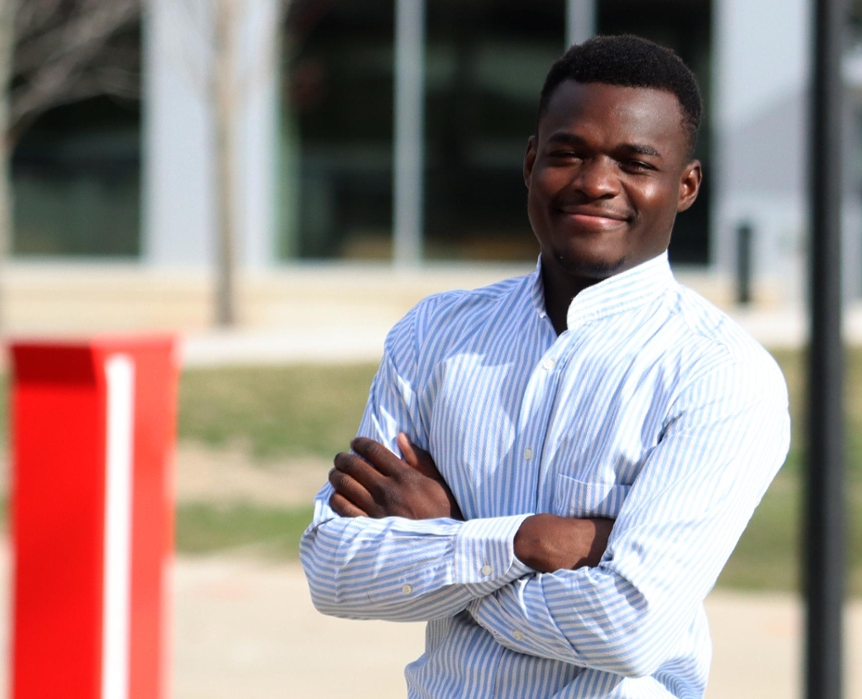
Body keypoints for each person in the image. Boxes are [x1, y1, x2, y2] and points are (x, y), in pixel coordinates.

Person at [299, 35, 790, 699]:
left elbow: (631, 629)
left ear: (686, 186)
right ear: (531, 161)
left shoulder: (720, 375)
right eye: (568, 153)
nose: (594, 181)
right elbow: (336, 570)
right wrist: (529, 541)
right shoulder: (434, 336)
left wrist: (447, 537)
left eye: (634, 162)